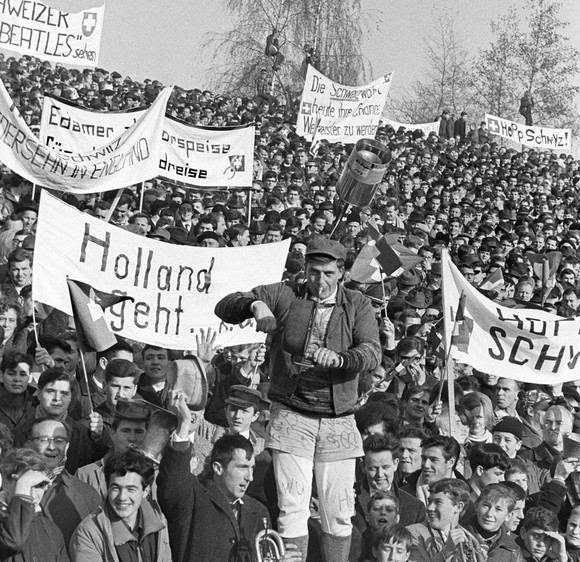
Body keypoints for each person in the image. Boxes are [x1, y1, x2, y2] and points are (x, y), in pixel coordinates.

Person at [215, 237, 381, 562]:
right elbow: (225, 305)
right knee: (292, 506)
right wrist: (254, 305)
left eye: (329, 274)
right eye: (315, 272)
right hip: (291, 411)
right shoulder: (287, 293)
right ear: (306, 269)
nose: (321, 281)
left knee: (338, 510)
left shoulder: (357, 304)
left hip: (338, 415)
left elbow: (372, 351)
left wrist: (342, 359)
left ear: (342, 273)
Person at [157, 389, 301, 562]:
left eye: (251, 468)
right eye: (241, 467)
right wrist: (184, 424)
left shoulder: (259, 511)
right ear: (218, 468)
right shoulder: (193, 497)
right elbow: (174, 480)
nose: (249, 477)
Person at [70, 449, 172, 562]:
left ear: (146, 491)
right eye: (116, 488)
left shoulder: (160, 522)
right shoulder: (89, 533)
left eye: (131, 489)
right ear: (107, 488)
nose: (122, 497)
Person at [27, 417, 102, 547]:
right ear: (29, 445)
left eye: (59, 441)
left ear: (67, 447)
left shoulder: (87, 495)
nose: (51, 447)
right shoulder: (10, 487)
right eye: (43, 440)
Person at [0, 448, 68, 561]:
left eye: (39, 485)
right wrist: (23, 491)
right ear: (6, 484)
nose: (32, 494)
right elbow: (13, 542)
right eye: (25, 484)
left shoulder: (51, 529)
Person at [406, 478, 482, 562]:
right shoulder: (413, 533)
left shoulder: (469, 538)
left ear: (459, 507)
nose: (429, 508)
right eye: (429, 502)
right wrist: (447, 551)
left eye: (438, 502)